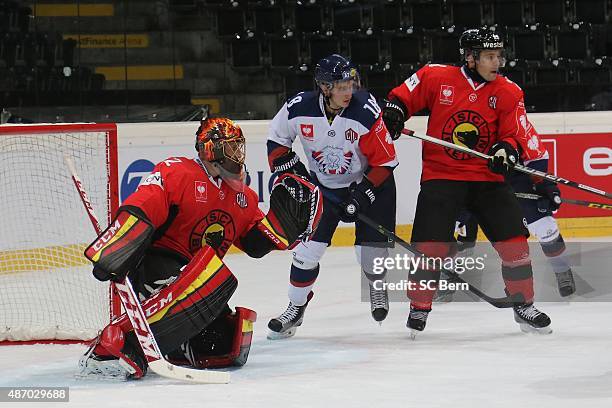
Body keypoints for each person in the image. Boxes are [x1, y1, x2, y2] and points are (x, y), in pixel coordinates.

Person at [79, 117, 322, 379]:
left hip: (199, 281)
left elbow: (254, 243)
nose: (238, 155)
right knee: (215, 278)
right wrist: (115, 249)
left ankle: (174, 345)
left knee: (226, 344)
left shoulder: (243, 197)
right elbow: (143, 208)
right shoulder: (177, 172)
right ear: (211, 151)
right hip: (155, 268)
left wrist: (284, 227)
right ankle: (116, 344)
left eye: (239, 147)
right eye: (231, 148)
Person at [382, 28, 552, 336]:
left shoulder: (509, 91)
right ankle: (419, 305)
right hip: (441, 176)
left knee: (515, 244)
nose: (497, 62)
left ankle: (523, 305)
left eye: (499, 55)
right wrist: (395, 113)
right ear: (470, 58)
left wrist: (507, 148)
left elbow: (515, 133)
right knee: (430, 247)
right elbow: (400, 98)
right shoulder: (435, 77)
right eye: (489, 56)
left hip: (487, 179)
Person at [266, 54, 398, 339]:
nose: (349, 91)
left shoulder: (364, 110)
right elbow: (277, 140)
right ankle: (295, 307)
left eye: (351, 84)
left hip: (367, 182)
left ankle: (377, 285)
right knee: (305, 254)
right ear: (325, 88)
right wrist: (288, 167)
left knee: (370, 255)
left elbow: (385, 162)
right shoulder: (299, 107)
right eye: (341, 86)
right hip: (323, 188)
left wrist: (361, 196)